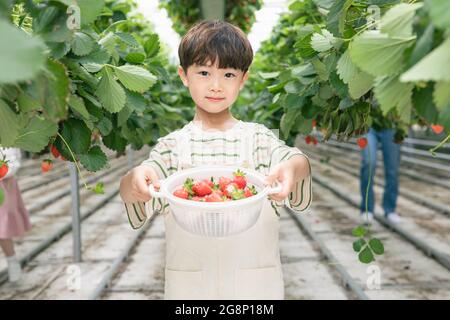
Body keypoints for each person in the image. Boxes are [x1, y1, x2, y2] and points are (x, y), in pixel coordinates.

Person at [119, 20, 312, 300]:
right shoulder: (172, 146)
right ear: (184, 75)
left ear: (243, 79)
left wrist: (291, 168)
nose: (216, 85)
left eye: (229, 74)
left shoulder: (259, 139)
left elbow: (296, 161)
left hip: (255, 292)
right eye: (204, 72)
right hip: (192, 293)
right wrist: (134, 177)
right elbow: (135, 185)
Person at [360, 112, 402, 225]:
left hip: (391, 123)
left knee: (392, 168)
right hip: (368, 123)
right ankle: (367, 209)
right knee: (368, 162)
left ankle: (390, 209)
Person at [0, 147, 31, 283]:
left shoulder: (8, 135)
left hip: (4, 183)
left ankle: (12, 262)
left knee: (3, 227)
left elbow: (13, 160)